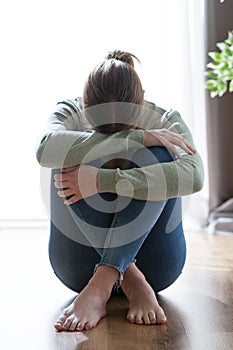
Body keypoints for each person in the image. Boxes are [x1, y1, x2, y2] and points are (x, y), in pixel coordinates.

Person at [36, 50, 204, 332]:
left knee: (162, 155)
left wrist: (102, 181)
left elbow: (195, 176)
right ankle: (129, 277)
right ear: (85, 106)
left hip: (157, 265)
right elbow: (44, 149)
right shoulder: (70, 112)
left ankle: (103, 283)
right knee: (63, 158)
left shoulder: (164, 119)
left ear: (142, 104)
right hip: (79, 266)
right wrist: (136, 137)